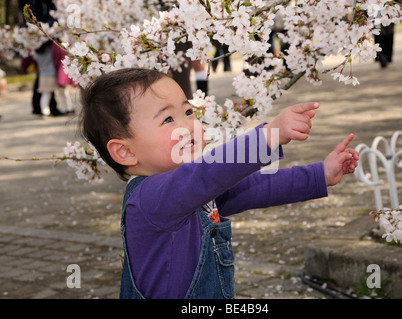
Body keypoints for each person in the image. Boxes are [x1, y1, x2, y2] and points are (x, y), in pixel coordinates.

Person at [79, 68, 359, 299]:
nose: (188, 126)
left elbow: (257, 187)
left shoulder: (192, 192)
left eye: (188, 112)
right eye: (167, 119)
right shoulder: (151, 199)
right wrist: (269, 135)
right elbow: (208, 173)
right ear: (126, 151)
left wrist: (319, 175)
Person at [33, 41, 65, 116]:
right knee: (47, 93)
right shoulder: (49, 51)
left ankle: (44, 110)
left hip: (42, 74)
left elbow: (34, 58)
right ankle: (45, 110)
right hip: (50, 73)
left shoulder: (37, 53)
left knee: (45, 93)